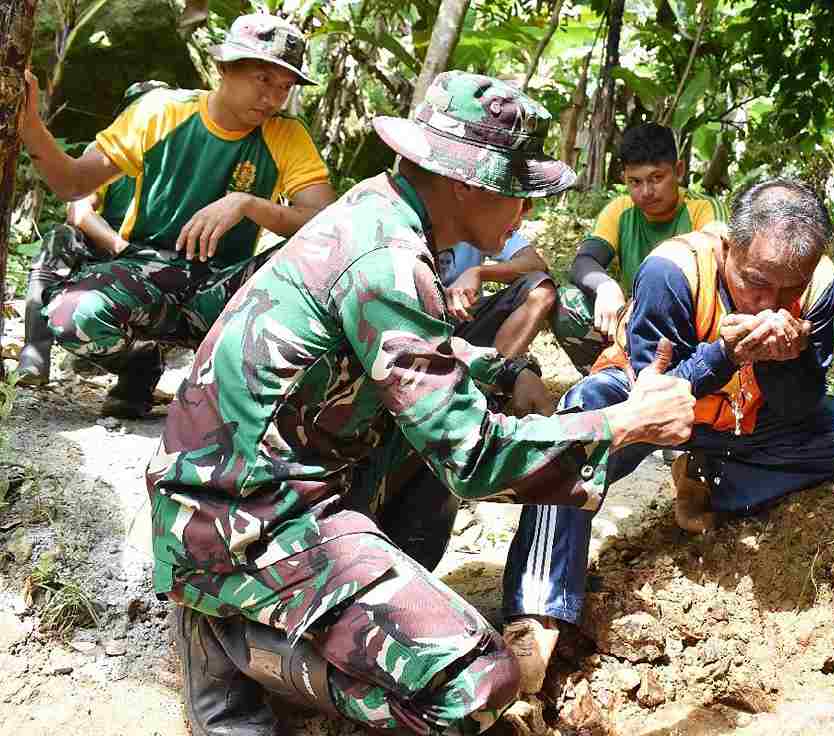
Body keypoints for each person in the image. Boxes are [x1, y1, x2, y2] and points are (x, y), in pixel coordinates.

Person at [146, 71, 696, 736]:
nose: (525, 214)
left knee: (457, 423)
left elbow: (421, 362)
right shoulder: (389, 259)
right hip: (243, 517)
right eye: (516, 193)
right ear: (467, 183)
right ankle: (234, 642)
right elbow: (472, 455)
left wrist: (503, 369)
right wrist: (622, 422)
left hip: (275, 478)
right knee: (478, 685)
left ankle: (328, 622)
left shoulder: (383, 212)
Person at [501, 179, 834, 694]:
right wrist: (725, 354)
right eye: (755, 284)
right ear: (729, 248)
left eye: (789, 291)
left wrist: (784, 360)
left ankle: (710, 478)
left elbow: (799, 405)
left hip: (745, 417)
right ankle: (536, 613)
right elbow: (653, 391)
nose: (772, 304)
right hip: (649, 402)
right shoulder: (673, 270)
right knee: (579, 417)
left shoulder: (821, 286)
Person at [16, 13, 336, 417]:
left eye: (285, 87)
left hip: (222, 288)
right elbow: (73, 184)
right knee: (73, 316)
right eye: (262, 79)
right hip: (143, 270)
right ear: (223, 68)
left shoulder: (286, 133)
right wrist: (28, 124)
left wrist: (248, 203)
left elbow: (325, 220)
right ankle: (140, 360)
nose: (273, 99)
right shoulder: (161, 112)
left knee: (317, 257)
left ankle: (256, 392)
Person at [16, 81, 169, 387]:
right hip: (107, 250)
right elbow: (80, 211)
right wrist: (118, 245)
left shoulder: (181, 158)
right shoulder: (106, 154)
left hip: (158, 264)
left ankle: (140, 368)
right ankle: (36, 350)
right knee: (59, 238)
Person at [552, 122, 727, 375]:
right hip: (633, 323)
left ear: (678, 171)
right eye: (635, 181)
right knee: (567, 302)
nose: (646, 192)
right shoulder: (620, 210)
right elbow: (584, 261)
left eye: (657, 178)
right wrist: (606, 286)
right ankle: (611, 378)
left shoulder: (705, 210)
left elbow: (720, 268)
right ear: (624, 178)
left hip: (691, 326)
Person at [440, 232, 558, 415]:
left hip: (465, 321)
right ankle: (507, 377)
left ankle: (495, 381)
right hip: (411, 332)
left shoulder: (474, 214)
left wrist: (479, 272)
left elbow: (534, 262)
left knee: (540, 288)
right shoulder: (400, 223)